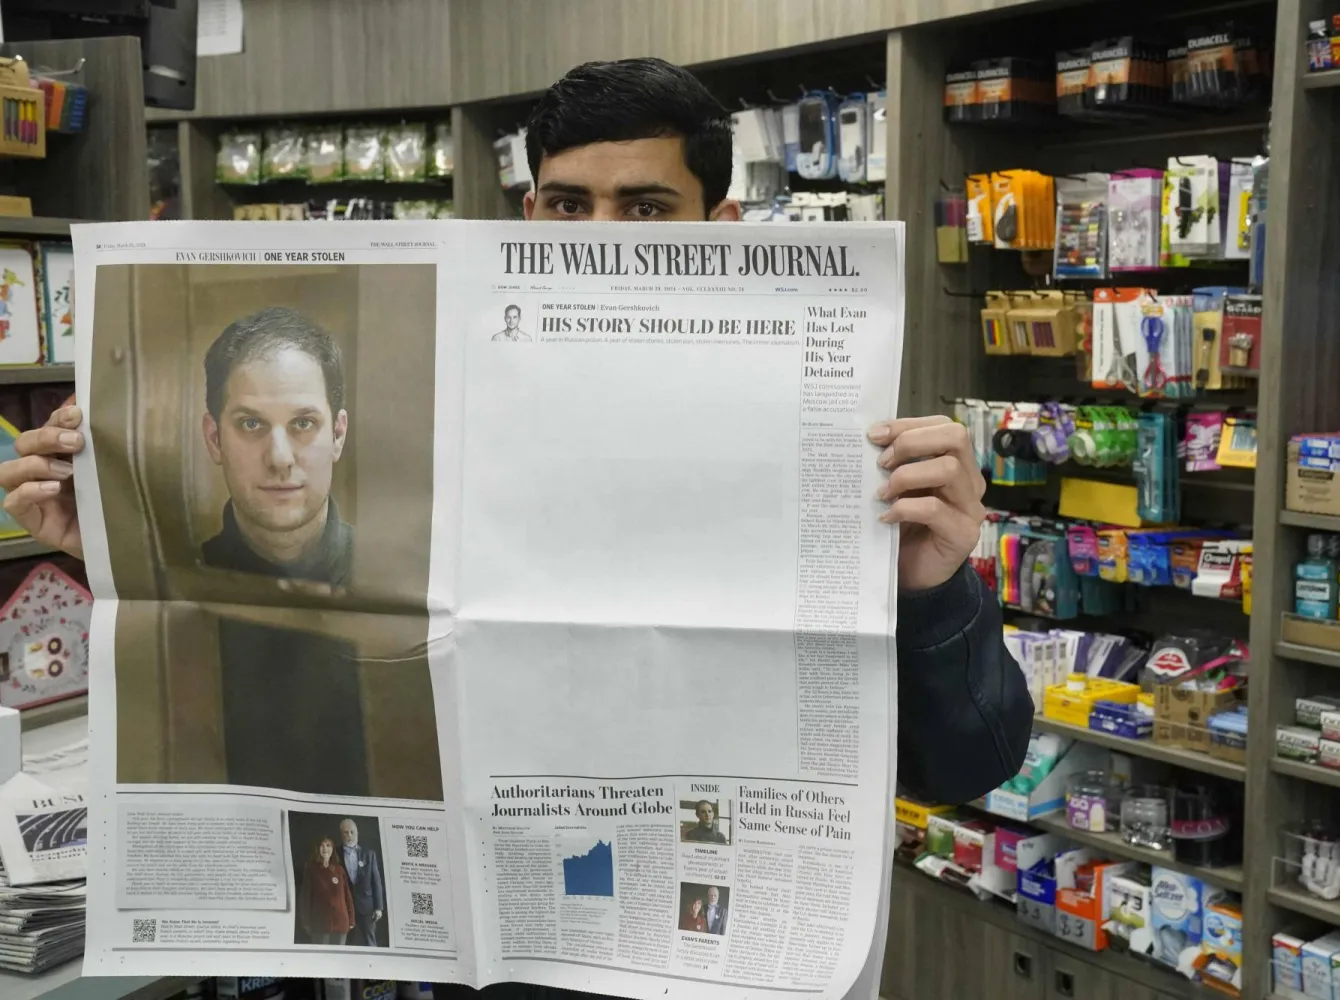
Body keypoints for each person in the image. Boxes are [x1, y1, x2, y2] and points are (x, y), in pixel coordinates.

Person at [0, 55, 1033, 1000]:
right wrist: (130, 547)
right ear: (526, 210)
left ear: (717, 229)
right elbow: (320, 648)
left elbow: (971, 762)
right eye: (568, 204)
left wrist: (935, 585)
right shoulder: (452, 429)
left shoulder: (830, 434)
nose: (597, 239)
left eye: (644, 207)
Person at [200, 306, 352, 585]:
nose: (280, 459)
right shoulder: (170, 582)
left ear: (337, 435)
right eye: (251, 424)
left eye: (303, 423)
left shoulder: (401, 578)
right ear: (214, 439)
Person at [298, 836, 355, 946]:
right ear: (317, 849)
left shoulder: (339, 869)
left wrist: (351, 919)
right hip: (320, 924)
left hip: (341, 923)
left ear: (332, 849)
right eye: (322, 845)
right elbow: (305, 898)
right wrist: (306, 922)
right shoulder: (311, 869)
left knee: (339, 959)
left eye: (328, 845)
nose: (325, 848)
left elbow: (347, 896)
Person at [339, 818, 385, 948]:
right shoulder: (335, 854)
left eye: (352, 832)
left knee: (370, 941)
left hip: (367, 907)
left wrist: (378, 907)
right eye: (345, 832)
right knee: (345, 943)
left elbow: (376, 881)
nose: (349, 835)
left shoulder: (369, 854)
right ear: (341, 834)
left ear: (357, 833)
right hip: (344, 907)